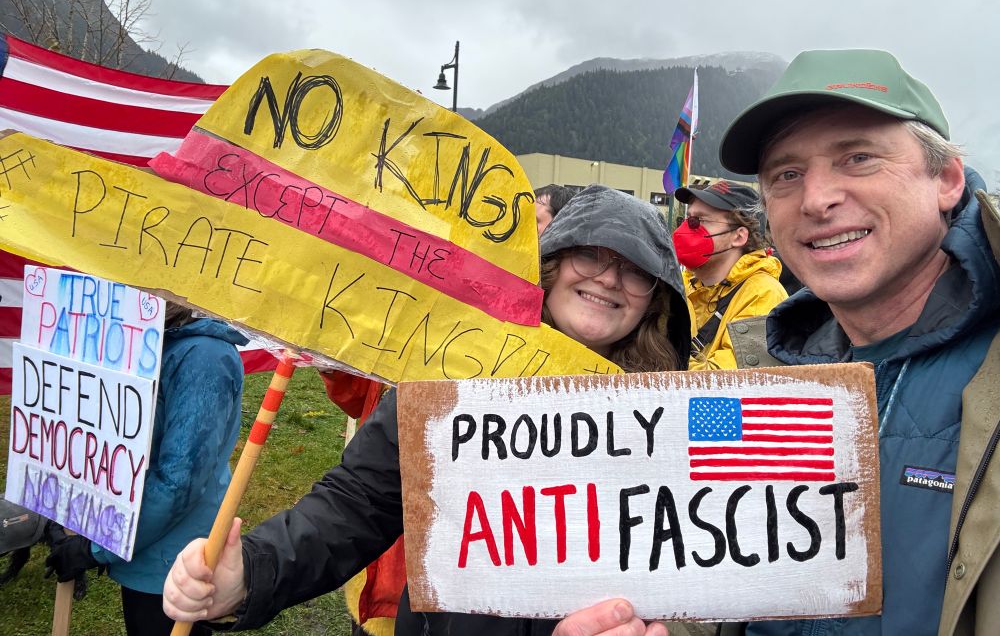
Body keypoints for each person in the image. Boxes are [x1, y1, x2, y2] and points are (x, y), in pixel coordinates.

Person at [552, 48, 1000, 636]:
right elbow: (720, 563)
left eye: (858, 158)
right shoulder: (757, 374)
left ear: (945, 179)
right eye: (787, 175)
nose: (816, 200)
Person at [162, 184, 692, 635]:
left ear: (655, 299)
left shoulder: (669, 418)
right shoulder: (455, 375)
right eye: (592, 255)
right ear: (551, 265)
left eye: (635, 271)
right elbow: (357, 503)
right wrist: (252, 571)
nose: (608, 279)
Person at [46, 303, 247, 636]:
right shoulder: (150, 338)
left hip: (175, 561)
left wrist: (96, 547)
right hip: (145, 545)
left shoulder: (204, 356)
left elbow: (178, 483)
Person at [671, 180, 787, 369]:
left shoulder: (764, 294)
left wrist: (655, 357)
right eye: (687, 219)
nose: (685, 229)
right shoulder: (680, 285)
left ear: (739, 236)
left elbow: (727, 385)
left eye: (699, 221)